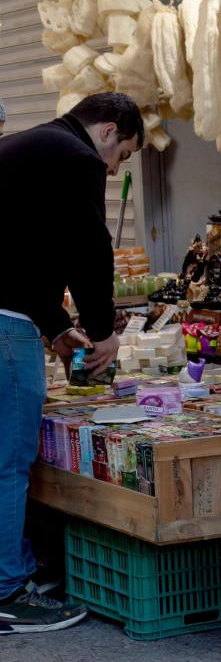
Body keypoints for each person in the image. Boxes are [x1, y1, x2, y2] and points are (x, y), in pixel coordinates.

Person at [0, 92, 142, 634]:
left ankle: (13, 571)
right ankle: (8, 591)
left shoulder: (23, 147)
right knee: (9, 463)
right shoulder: (77, 159)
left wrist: (58, 328)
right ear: (107, 132)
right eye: (123, 155)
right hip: (4, 327)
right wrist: (103, 333)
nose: (114, 168)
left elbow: (17, 254)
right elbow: (89, 249)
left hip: (14, 313)